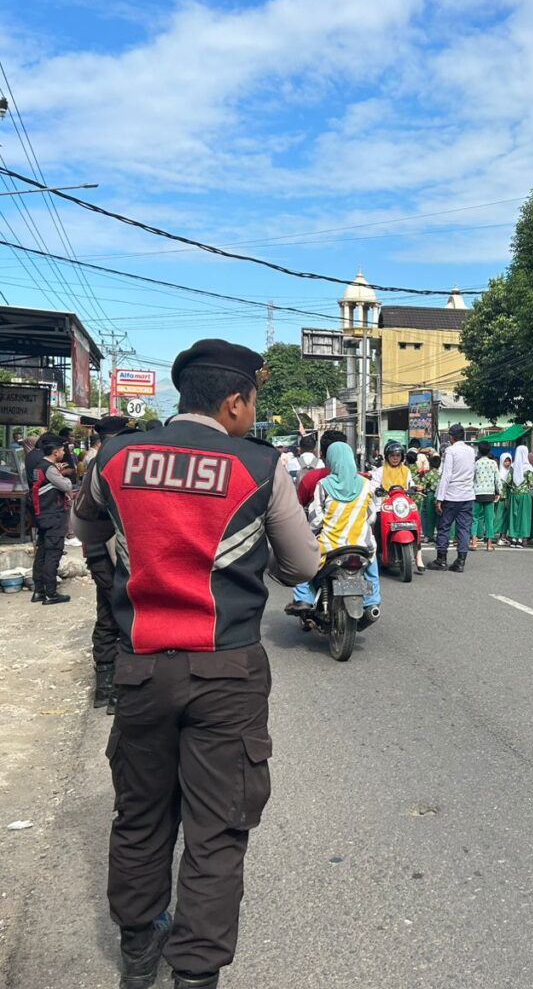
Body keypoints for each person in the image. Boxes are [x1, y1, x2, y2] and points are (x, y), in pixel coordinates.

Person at [71, 338, 319, 989]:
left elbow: (87, 525)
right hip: (226, 673)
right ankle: (196, 973)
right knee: (216, 827)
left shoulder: (116, 455)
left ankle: (136, 950)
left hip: (142, 667)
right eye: (252, 400)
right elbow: (302, 567)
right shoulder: (261, 466)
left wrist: (118, 566)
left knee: (141, 812)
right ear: (235, 401)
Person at [81, 414, 132, 709]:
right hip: (111, 552)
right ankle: (115, 691)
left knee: (107, 614)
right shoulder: (111, 465)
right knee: (123, 615)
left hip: (99, 552)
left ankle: (105, 688)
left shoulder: (96, 463)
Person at [306, 441, 382, 612]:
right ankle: (372, 601)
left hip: (330, 545)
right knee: (372, 564)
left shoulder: (324, 485)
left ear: (331, 460)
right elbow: (371, 517)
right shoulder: (365, 484)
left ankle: (303, 598)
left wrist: (309, 534)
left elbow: (316, 519)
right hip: (361, 545)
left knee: (304, 563)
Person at [29, 433, 73, 605]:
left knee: (42, 553)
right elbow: (67, 485)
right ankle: (51, 593)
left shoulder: (38, 466)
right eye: (62, 450)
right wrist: (62, 474)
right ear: (55, 452)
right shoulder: (50, 468)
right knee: (53, 553)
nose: (63, 452)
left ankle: (38, 591)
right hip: (53, 515)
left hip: (42, 515)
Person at [371, 441, 426, 573]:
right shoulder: (380, 471)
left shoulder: (406, 471)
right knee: (377, 526)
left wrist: (415, 487)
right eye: (392, 455)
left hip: (402, 506)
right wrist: (376, 490)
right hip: (384, 506)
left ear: (402, 456)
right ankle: (378, 554)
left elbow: (410, 483)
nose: (395, 458)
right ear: (387, 456)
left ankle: (419, 555)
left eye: (398, 455)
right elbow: (373, 486)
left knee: (417, 522)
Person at [429, 423, 475, 572]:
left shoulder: (450, 451)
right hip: (467, 494)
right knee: (464, 529)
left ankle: (441, 559)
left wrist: (439, 498)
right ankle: (461, 561)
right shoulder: (471, 451)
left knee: (444, 527)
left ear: (451, 437)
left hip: (452, 495)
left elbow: (446, 475)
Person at [471, 444, 502, 551]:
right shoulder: (493, 463)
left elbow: (472, 479)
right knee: (489, 519)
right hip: (489, 494)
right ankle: (489, 544)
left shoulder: (476, 463)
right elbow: (497, 479)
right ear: (489, 451)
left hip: (477, 493)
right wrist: (499, 492)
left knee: (474, 518)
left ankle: (474, 542)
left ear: (479, 451)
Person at [504, 445, 533, 547]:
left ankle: (513, 538)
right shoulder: (528, 468)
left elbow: (508, 481)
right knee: (524, 516)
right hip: (525, 495)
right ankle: (521, 539)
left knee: (513, 516)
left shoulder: (513, 467)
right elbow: (531, 482)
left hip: (514, 494)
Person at [420, 455, 442, 543]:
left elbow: (424, 486)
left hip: (430, 494)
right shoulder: (441, 474)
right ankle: (440, 534)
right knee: (439, 515)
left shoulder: (428, 474)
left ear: (430, 464)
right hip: (439, 496)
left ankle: (429, 535)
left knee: (429, 516)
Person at [494, 452, 513, 545]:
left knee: (505, 518)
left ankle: (503, 535)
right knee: (499, 516)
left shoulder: (511, 472)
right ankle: (494, 535)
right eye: (505, 461)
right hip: (500, 499)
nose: (507, 463)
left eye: (509, 461)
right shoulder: (499, 473)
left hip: (508, 498)